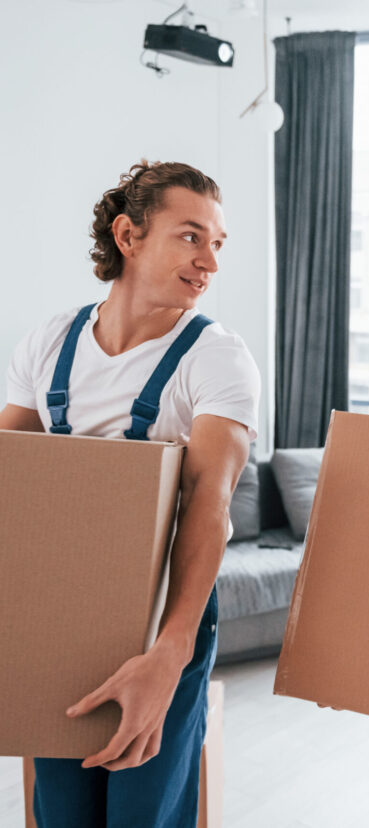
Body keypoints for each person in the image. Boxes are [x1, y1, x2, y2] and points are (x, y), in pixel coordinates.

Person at [0, 160, 260, 827]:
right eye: (192, 237)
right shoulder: (49, 343)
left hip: (163, 624)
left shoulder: (216, 358)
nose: (210, 263)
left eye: (218, 245)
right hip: (59, 619)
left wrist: (168, 656)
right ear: (129, 235)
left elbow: (209, 510)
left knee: (142, 816)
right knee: (60, 813)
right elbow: (10, 478)